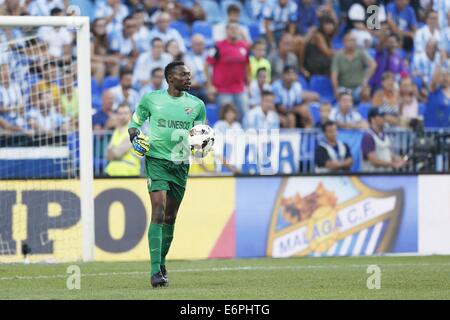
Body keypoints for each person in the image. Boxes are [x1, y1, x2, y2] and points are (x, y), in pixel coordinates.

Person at [128, 61, 206, 288]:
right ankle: (154, 272)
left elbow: (199, 137)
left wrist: (201, 146)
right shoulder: (151, 99)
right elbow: (134, 125)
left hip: (180, 166)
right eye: (184, 75)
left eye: (189, 75)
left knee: (171, 216)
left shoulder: (197, 105)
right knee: (159, 211)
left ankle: (161, 263)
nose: (189, 78)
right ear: (171, 78)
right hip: (157, 162)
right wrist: (135, 138)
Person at [205, 22, 251, 122]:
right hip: (223, 90)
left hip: (240, 89)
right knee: (225, 118)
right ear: (226, 31)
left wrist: (249, 84)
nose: (233, 31)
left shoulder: (244, 47)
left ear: (239, 31)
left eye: (236, 28)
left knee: (245, 116)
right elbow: (207, 64)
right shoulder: (217, 46)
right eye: (231, 29)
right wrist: (209, 86)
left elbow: (247, 65)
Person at [331, 32, 377, 103]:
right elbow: (334, 75)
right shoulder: (338, 56)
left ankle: (363, 111)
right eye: (349, 40)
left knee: (366, 92)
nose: (352, 43)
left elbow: (373, 64)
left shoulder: (360, 53)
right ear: (344, 42)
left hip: (358, 87)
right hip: (344, 87)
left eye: (354, 40)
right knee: (343, 98)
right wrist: (335, 89)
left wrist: (365, 79)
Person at [361, 107, 406, 172]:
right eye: (381, 116)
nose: (384, 119)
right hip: (372, 177)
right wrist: (392, 164)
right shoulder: (368, 137)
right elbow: (374, 161)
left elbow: (386, 153)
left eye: (384, 116)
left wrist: (397, 158)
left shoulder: (384, 135)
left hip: (385, 175)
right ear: (373, 119)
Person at [105, 104, 141, 176]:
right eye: (120, 113)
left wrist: (113, 152)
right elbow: (107, 155)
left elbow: (116, 153)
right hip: (112, 172)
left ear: (130, 115)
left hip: (129, 173)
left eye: (125, 113)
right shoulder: (116, 132)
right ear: (117, 115)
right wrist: (112, 152)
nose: (122, 116)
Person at [184, 34, 208, 104]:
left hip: (206, 86)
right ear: (192, 45)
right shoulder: (186, 57)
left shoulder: (209, 56)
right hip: (192, 87)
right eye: (197, 44)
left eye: (201, 44)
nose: (199, 46)